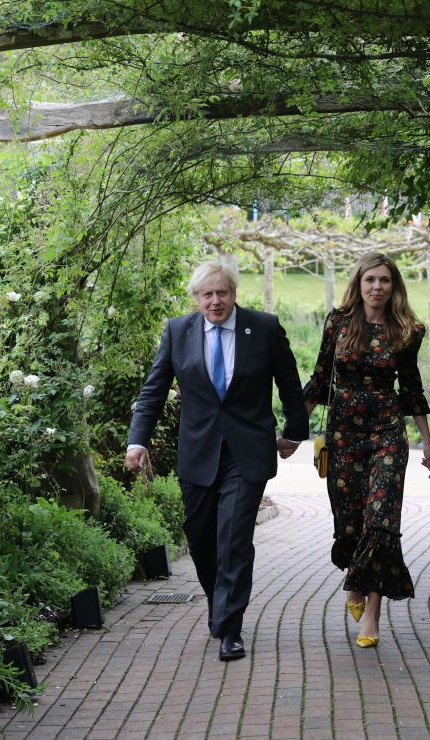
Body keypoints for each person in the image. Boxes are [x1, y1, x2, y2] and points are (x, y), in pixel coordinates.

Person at [126, 258, 308, 662]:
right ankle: (218, 605)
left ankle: (230, 628)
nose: (215, 301)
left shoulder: (262, 327)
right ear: (196, 298)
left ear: (234, 294)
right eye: (207, 294)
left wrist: (295, 431)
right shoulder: (178, 332)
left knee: (234, 539)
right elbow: (154, 390)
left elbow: (289, 382)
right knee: (202, 540)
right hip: (199, 451)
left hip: (248, 452)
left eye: (222, 292)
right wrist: (137, 441)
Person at [304, 252, 430, 648]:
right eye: (370, 280)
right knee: (350, 524)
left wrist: (427, 445)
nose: (376, 287)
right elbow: (321, 377)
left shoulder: (407, 330)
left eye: (384, 280)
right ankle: (355, 584)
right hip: (343, 436)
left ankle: (373, 617)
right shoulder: (339, 322)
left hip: (387, 435)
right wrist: (292, 431)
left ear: (394, 285)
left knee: (381, 521)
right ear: (358, 284)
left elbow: (412, 388)